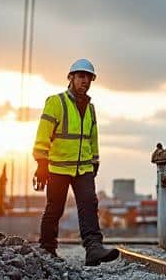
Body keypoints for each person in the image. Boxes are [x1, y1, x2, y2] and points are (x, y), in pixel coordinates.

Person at [32, 58, 120, 266]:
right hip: (58, 168)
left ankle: (93, 249)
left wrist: (95, 160)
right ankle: (47, 249)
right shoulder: (56, 102)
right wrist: (41, 163)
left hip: (83, 169)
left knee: (89, 205)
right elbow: (43, 134)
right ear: (70, 78)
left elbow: (92, 137)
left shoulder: (90, 109)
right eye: (81, 77)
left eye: (88, 78)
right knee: (55, 209)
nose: (85, 81)